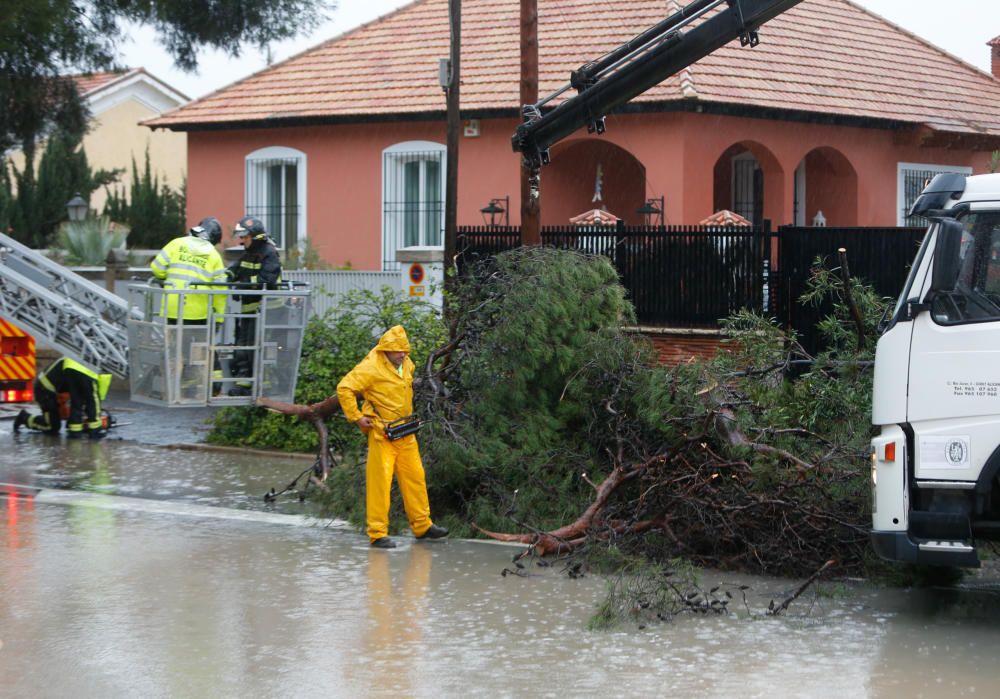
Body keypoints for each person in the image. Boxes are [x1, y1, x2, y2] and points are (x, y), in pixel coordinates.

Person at [336, 325, 448, 548]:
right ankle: (377, 533)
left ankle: (422, 525)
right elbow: (344, 388)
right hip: (382, 435)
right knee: (380, 484)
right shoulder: (370, 367)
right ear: (386, 350)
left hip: (405, 432)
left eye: (405, 350)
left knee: (415, 478)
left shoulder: (406, 364)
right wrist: (357, 417)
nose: (403, 354)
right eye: (398, 351)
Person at [149, 217, 228, 394]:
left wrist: (166, 277)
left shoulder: (176, 244)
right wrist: (220, 316)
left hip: (173, 308)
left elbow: (156, 268)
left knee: (174, 347)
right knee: (204, 346)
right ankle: (214, 386)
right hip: (198, 313)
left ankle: (166, 387)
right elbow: (221, 288)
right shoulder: (213, 255)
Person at [226, 215, 283, 396]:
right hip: (249, 309)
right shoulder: (249, 253)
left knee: (258, 345)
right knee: (245, 343)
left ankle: (261, 383)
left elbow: (267, 279)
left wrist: (242, 285)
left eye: (245, 237)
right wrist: (228, 275)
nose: (242, 240)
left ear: (256, 236)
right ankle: (245, 382)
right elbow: (238, 268)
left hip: (267, 310)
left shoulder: (269, 253)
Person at [13, 356, 112, 438]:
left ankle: (73, 428)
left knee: (75, 406)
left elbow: (82, 400)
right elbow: (92, 399)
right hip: (45, 391)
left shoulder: (81, 362)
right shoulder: (87, 370)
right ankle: (24, 418)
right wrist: (95, 428)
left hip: (54, 391)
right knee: (51, 427)